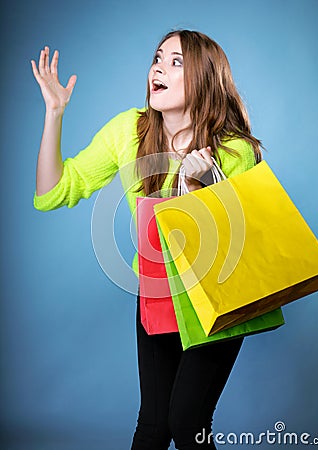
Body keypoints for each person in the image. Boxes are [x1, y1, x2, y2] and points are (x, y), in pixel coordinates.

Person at [31, 30, 262, 450]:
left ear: (205, 80)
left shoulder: (233, 151)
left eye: (176, 62)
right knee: (155, 424)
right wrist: (54, 114)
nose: (159, 67)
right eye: (158, 58)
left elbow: (240, 240)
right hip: (158, 291)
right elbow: (52, 192)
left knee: (188, 418)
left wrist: (211, 183)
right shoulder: (129, 131)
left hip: (218, 295)